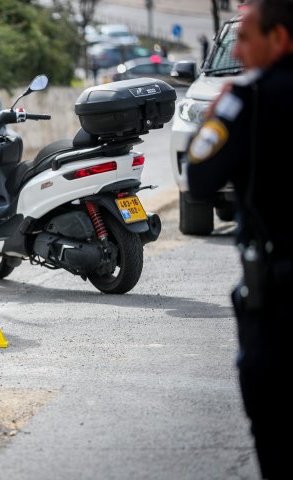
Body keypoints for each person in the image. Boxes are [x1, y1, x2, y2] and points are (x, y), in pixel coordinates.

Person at [186, 1, 292, 477]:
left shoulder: (246, 99)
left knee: (273, 418)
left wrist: (215, 113)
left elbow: (202, 179)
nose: (240, 50)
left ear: (280, 39)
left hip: (281, 291)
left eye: (246, 38)